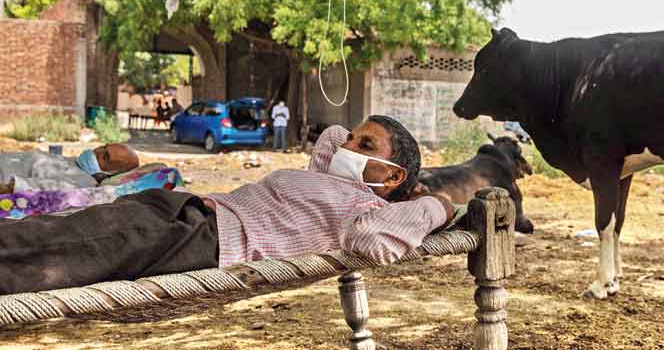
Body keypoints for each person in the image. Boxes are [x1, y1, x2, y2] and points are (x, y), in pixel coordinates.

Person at [0, 116, 454, 294]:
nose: (348, 144)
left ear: (393, 176)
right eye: (355, 137)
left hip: (204, 238)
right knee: (68, 227)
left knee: (62, 249)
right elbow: (331, 136)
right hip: (186, 207)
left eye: (366, 143)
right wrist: (353, 139)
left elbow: (374, 241)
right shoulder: (324, 177)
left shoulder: (368, 215)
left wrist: (439, 204)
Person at [0, 144, 141, 193]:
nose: (96, 151)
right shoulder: (75, 162)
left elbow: (10, 188)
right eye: (103, 147)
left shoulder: (81, 183)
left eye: (105, 157)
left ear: (111, 173)